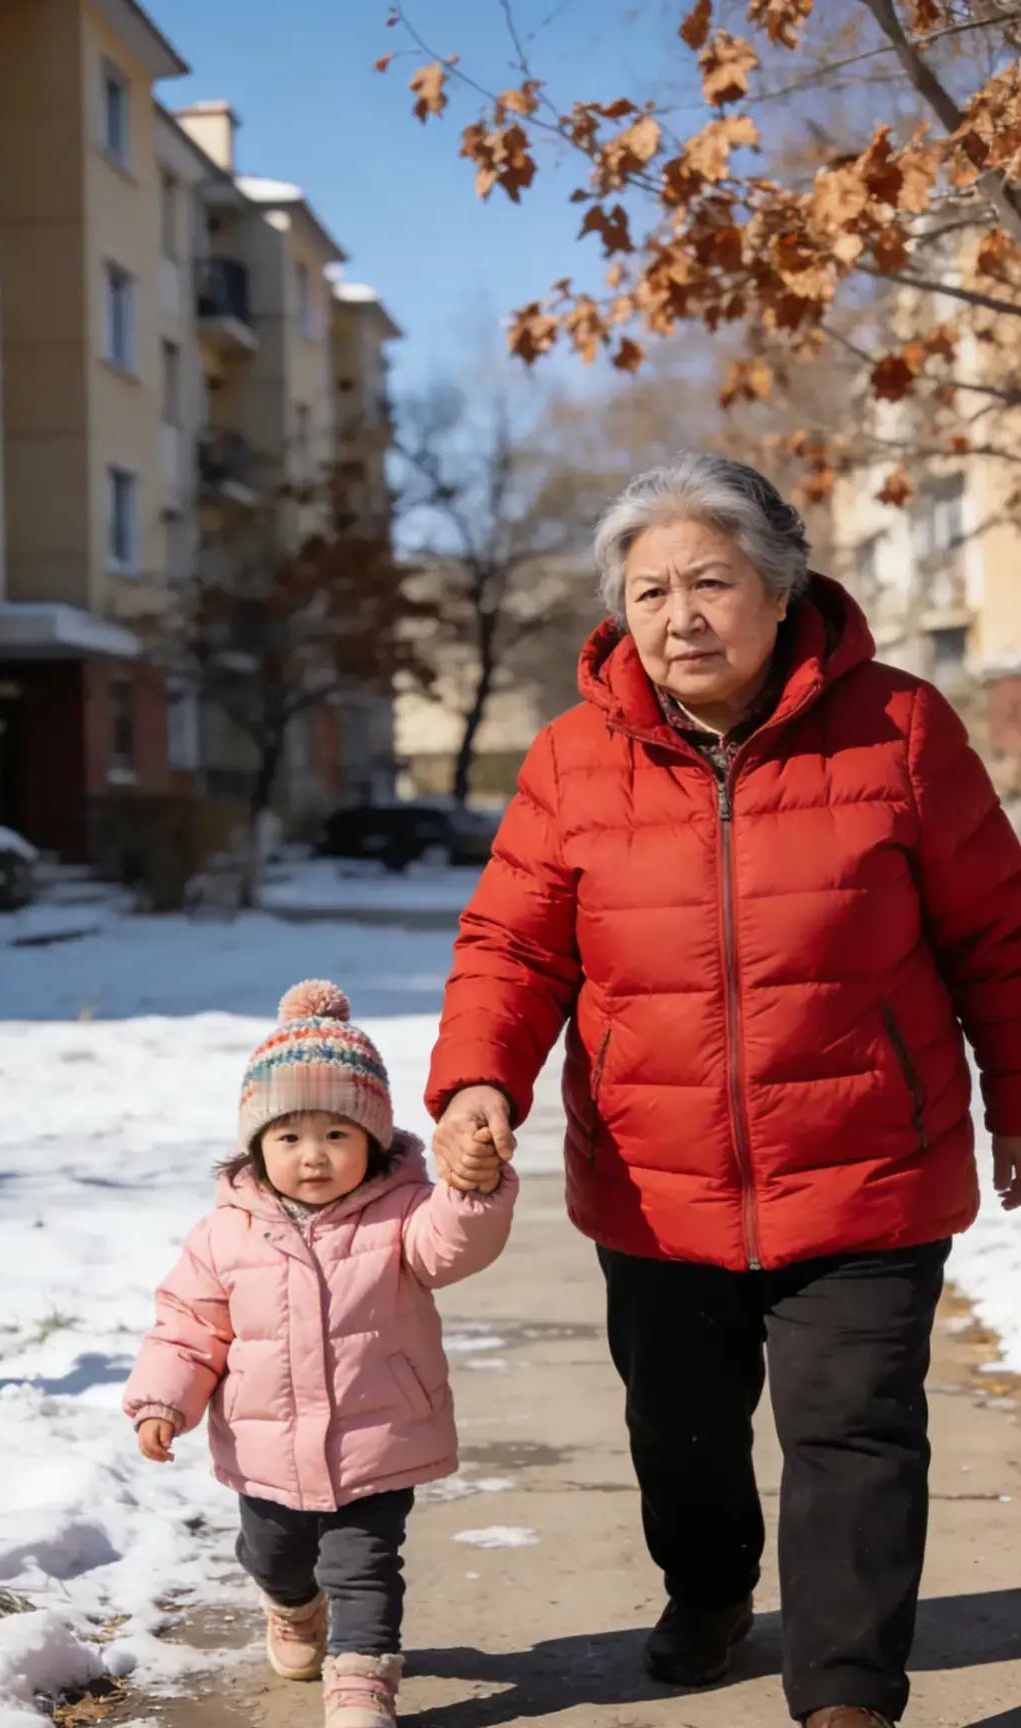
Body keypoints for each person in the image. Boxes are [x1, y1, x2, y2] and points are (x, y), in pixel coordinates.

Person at [426, 453, 1021, 1728]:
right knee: (681, 1430)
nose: (680, 616)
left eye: (710, 582)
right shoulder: (572, 761)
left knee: (854, 1430)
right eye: (649, 592)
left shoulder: (902, 729)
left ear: (781, 587)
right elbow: (513, 947)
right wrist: (479, 1080)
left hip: (869, 1160)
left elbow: (998, 938)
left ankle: (847, 1692)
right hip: (657, 1175)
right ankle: (707, 1590)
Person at [123, 979, 515, 1728]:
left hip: (378, 1436)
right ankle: (292, 1606)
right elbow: (187, 1326)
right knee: (275, 1557)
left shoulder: (404, 1213)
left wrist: (473, 1191)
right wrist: (162, 1401)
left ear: (372, 1142)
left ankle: (363, 1685)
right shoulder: (225, 1233)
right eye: (289, 1138)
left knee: (365, 1568)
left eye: (337, 1135)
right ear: (256, 1146)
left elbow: (452, 1247)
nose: (313, 1157)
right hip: (265, 1448)